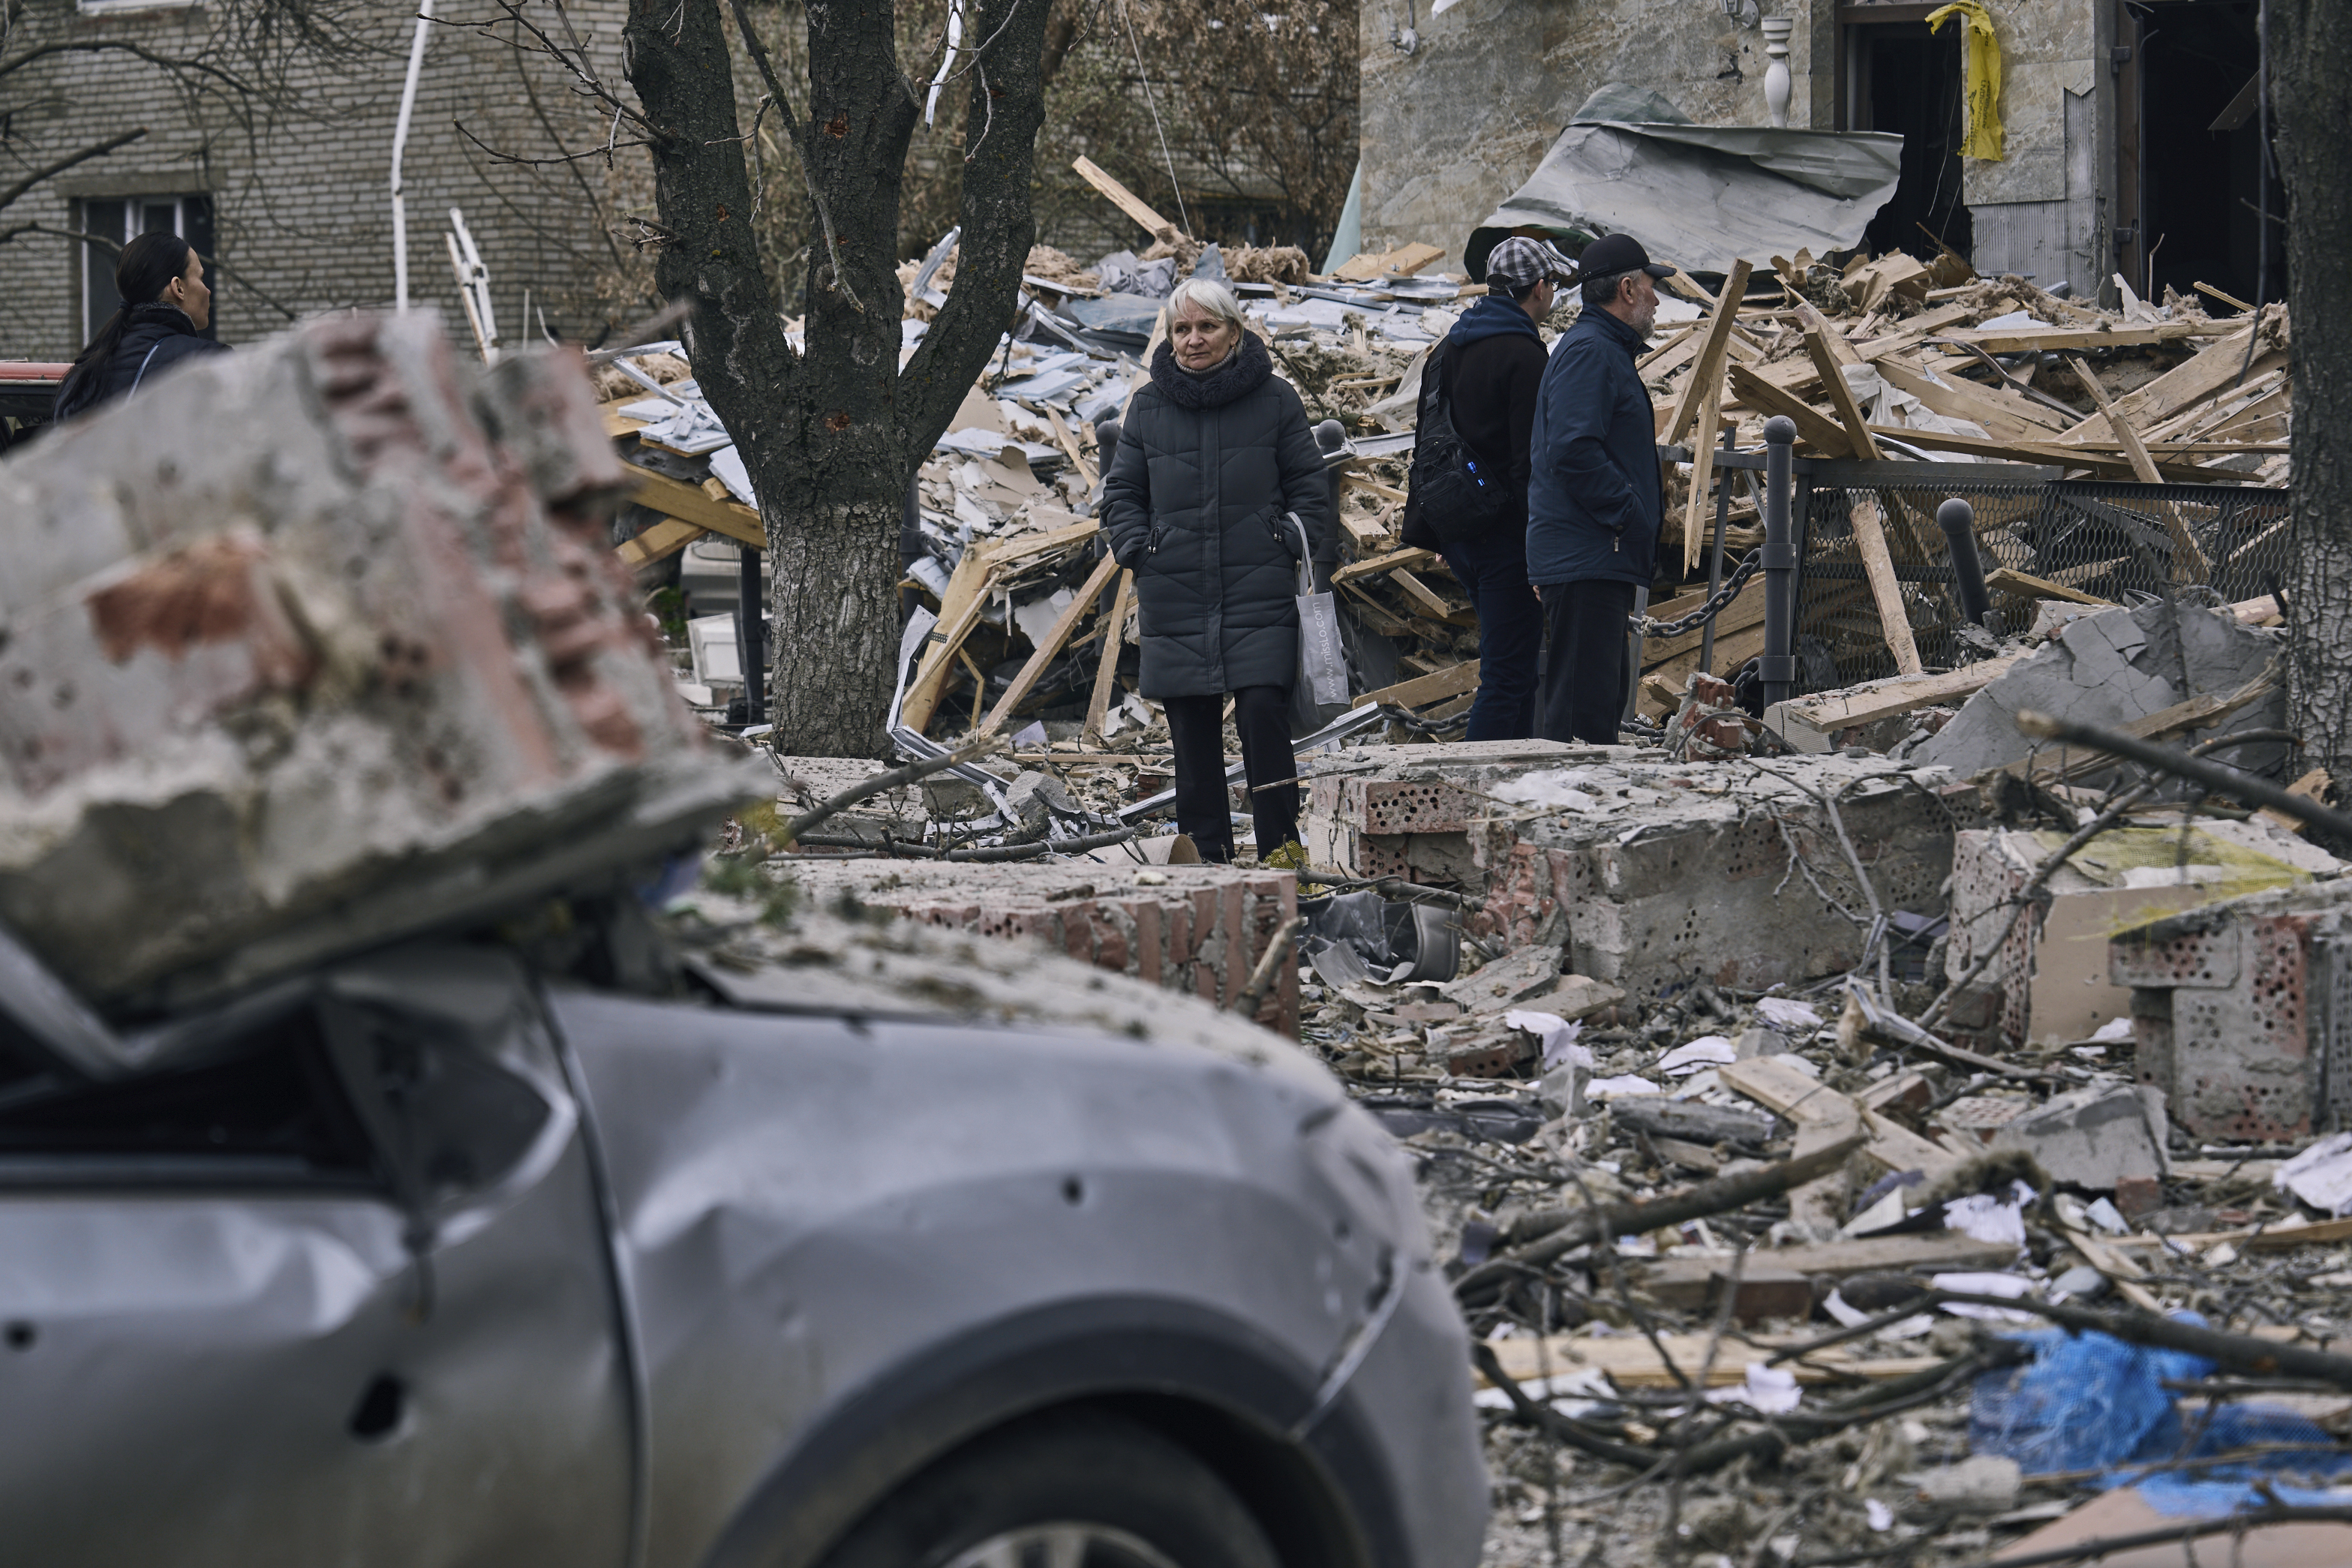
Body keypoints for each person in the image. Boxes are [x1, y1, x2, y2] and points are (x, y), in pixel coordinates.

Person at [1102, 278, 1333, 867]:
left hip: (1258, 586)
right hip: (1174, 588)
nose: (1193, 339)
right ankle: (1207, 859)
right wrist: (1139, 548)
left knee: (1262, 715)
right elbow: (1122, 493)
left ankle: (1282, 851)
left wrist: (1287, 540)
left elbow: (1310, 487)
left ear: (1233, 331)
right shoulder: (1148, 406)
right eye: (1182, 329)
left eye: (1207, 326)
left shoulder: (1275, 399)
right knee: (1191, 732)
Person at [1404, 235, 1573, 740]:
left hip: (1460, 536)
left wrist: (1437, 530)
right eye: (1553, 282)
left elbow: (1427, 443)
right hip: (1506, 542)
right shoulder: (1525, 356)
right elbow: (1530, 465)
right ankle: (1476, 779)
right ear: (1539, 288)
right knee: (1506, 677)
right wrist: (1539, 547)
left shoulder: (1446, 350)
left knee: (1514, 671)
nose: (1553, 292)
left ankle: (1512, 777)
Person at [1526, 231, 1675, 745]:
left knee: (1594, 710)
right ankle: (1565, 800)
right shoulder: (1591, 352)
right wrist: (1628, 515)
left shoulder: (1600, 349)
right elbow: (1572, 450)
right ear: (1627, 290)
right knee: (1581, 723)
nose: (1657, 300)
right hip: (1588, 555)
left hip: (1592, 555)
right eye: (1652, 287)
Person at [54, 232, 226, 423]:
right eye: (201, 278)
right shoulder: (210, 360)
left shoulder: (82, 374)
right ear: (178, 288)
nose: (208, 291)